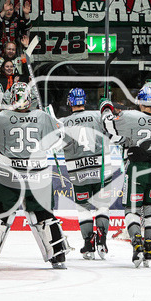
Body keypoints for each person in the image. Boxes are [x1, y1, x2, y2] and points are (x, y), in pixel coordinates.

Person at [0, 82, 68, 269]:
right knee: (44, 215)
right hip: (39, 175)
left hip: (9, 175)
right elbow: (60, 134)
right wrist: (49, 117)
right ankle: (58, 254)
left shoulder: (1, 118)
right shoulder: (42, 116)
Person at [104, 85, 151, 268]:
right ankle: (149, 248)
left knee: (132, 210)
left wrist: (106, 108)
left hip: (136, 168)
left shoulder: (131, 117)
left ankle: (137, 243)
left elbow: (109, 126)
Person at [60, 87, 113, 260]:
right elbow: (111, 132)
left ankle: (88, 243)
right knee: (102, 205)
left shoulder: (64, 122)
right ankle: (102, 239)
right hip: (102, 167)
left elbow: (56, 143)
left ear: (70, 102)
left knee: (83, 208)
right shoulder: (98, 116)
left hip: (78, 169)